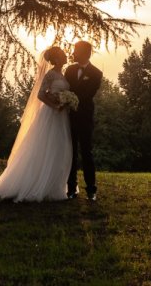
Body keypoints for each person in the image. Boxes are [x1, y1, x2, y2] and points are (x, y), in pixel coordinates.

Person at [0, 46, 73, 202]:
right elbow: (40, 94)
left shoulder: (61, 74)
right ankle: (37, 184)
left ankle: (54, 185)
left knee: (58, 147)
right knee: (47, 146)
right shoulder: (50, 74)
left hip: (61, 116)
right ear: (57, 58)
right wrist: (56, 105)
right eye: (64, 55)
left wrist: (67, 101)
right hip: (51, 114)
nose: (66, 57)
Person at [65, 40, 102, 201]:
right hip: (69, 117)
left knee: (87, 153)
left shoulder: (96, 73)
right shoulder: (70, 70)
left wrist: (72, 97)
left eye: (76, 50)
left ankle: (91, 190)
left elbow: (88, 95)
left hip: (85, 117)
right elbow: (65, 88)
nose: (74, 53)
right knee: (71, 153)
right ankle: (71, 188)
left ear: (86, 53)